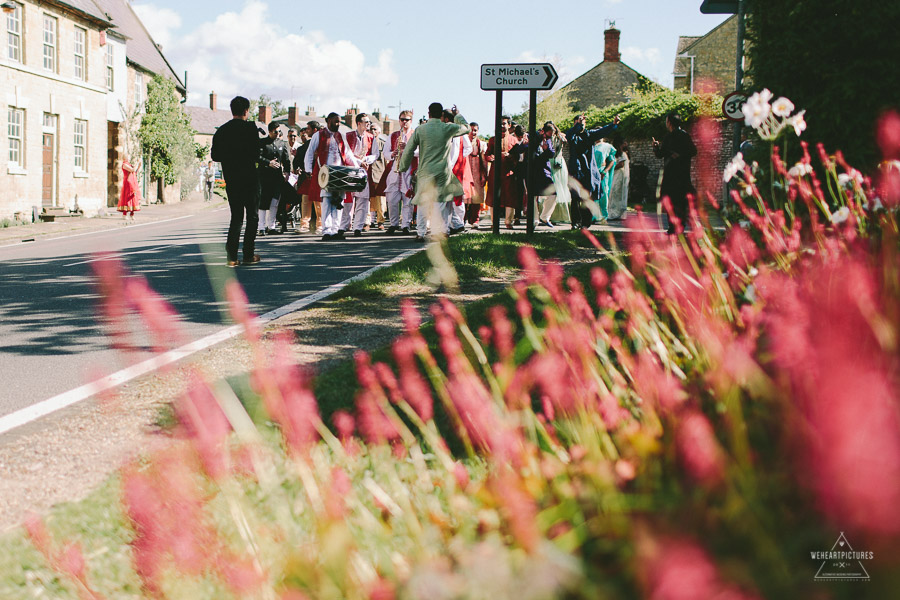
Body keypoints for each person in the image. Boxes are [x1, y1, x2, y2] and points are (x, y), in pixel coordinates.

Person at [211, 96, 274, 266]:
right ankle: (248, 254)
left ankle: (232, 257)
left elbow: (214, 155)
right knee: (252, 217)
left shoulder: (221, 131)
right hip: (250, 179)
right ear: (246, 111)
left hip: (231, 178)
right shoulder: (250, 129)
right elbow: (255, 153)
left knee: (236, 217)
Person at [397, 102, 469, 242]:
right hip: (443, 171)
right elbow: (466, 128)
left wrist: (402, 167)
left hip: (425, 171)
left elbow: (409, 149)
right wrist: (457, 115)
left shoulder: (420, 130)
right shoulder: (447, 128)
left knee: (423, 202)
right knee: (440, 202)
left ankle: (421, 232)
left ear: (428, 113)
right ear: (442, 114)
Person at [304, 112, 363, 240]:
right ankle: (326, 231)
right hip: (325, 173)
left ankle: (335, 230)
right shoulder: (318, 135)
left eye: (339, 122)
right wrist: (308, 169)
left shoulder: (341, 136)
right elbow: (309, 153)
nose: (338, 124)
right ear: (328, 121)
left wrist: (357, 169)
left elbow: (348, 154)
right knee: (327, 201)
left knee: (338, 202)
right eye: (336, 121)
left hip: (340, 173)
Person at [565, 113, 619, 229]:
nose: (580, 125)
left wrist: (613, 124)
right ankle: (575, 223)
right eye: (577, 123)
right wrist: (577, 126)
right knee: (575, 197)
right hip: (575, 170)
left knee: (587, 197)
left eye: (582, 123)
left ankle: (585, 223)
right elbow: (568, 135)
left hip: (588, 171)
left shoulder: (590, 135)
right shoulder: (572, 136)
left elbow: (602, 131)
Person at [653, 112, 697, 233]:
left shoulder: (678, 136)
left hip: (676, 173)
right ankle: (676, 226)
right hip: (676, 174)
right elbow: (662, 154)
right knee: (675, 200)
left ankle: (676, 226)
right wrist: (656, 147)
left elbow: (693, 151)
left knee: (675, 200)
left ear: (670, 123)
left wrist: (679, 155)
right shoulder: (675, 136)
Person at [374, 110, 416, 234]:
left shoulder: (415, 135)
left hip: (409, 170)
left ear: (411, 121)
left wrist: (407, 149)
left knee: (407, 201)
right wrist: (392, 154)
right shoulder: (393, 135)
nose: (404, 122)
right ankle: (393, 224)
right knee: (392, 199)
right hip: (394, 170)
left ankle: (406, 225)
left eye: (407, 120)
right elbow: (385, 153)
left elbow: (420, 151)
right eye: (402, 119)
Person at [342, 113, 379, 236]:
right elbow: (347, 153)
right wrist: (359, 162)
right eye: (365, 122)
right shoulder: (348, 136)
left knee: (362, 200)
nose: (368, 124)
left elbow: (375, 154)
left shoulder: (371, 137)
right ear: (358, 123)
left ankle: (357, 227)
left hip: (363, 172)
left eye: (368, 122)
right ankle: (344, 225)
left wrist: (367, 160)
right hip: (351, 170)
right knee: (348, 200)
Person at [485, 116, 525, 229]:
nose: (502, 126)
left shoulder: (514, 140)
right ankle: (494, 222)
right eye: (500, 124)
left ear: (509, 125)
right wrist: (490, 157)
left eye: (504, 124)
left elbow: (518, 157)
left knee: (509, 198)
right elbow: (486, 154)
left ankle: (508, 222)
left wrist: (511, 156)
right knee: (493, 198)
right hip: (495, 172)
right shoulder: (493, 139)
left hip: (509, 172)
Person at [533, 122, 570, 228]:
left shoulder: (548, 140)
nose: (550, 137)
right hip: (533, 170)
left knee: (553, 193)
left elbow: (551, 152)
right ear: (543, 131)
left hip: (545, 170)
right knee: (533, 196)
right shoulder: (535, 137)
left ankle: (545, 216)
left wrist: (545, 150)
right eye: (549, 134)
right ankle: (534, 220)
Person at [258, 122, 291, 235]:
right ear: (270, 131)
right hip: (264, 176)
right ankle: (261, 227)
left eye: (279, 131)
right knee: (263, 202)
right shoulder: (262, 142)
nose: (277, 134)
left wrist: (287, 172)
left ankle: (271, 227)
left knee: (275, 202)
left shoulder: (282, 143)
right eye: (275, 131)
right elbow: (257, 156)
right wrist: (268, 163)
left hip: (277, 177)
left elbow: (286, 159)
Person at [442, 109, 472, 234]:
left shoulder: (460, 132)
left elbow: (468, 148)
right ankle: (455, 224)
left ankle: (457, 222)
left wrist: (460, 157)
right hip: (446, 167)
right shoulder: (442, 131)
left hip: (454, 168)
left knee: (455, 198)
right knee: (446, 199)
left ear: (446, 119)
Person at [295, 121, 321, 233]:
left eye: (308, 129)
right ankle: (304, 225)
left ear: (315, 130)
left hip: (320, 176)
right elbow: (299, 157)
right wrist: (298, 167)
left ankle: (320, 225)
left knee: (318, 201)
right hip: (308, 176)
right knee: (305, 200)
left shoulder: (322, 141)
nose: (306, 131)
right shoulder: (306, 145)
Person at [463, 122, 487, 227]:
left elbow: (484, 161)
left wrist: (483, 175)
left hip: (477, 173)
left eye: (475, 130)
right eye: (471, 130)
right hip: (466, 173)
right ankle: (463, 219)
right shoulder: (464, 143)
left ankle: (475, 220)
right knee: (464, 197)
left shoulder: (481, 144)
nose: (473, 132)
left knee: (477, 197)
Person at [368, 122, 389, 230]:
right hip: (367, 174)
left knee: (381, 199)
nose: (373, 131)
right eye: (371, 129)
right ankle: (369, 221)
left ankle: (380, 221)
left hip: (379, 174)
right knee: (368, 198)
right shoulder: (366, 142)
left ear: (379, 132)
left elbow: (386, 160)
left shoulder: (383, 144)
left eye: (375, 129)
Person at [591, 137, 616, 221]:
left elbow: (612, 161)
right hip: (592, 172)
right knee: (593, 193)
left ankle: (604, 215)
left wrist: (605, 171)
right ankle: (593, 215)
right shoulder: (592, 146)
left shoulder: (607, 146)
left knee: (603, 192)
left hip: (602, 171)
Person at [608, 134, 630, 220]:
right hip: (617, 174)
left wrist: (611, 168)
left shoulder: (623, 154)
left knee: (617, 192)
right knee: (614, 192)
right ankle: (614, 211)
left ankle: (617, 212)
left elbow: (621, 164)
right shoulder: (617, 153)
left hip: (620, 174)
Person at [118, 155, 142, 223]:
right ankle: (124, 214)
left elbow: (135, 172)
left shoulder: (129, 164)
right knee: (127, 197)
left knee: (133, 197)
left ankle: (132, 214)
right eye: (127, 156)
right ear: (124, 157)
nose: (128, 157)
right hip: (128, 182)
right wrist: (137, 162)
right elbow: (132, 170)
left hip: (132, 182)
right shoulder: (124, 165)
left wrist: (139, 165)